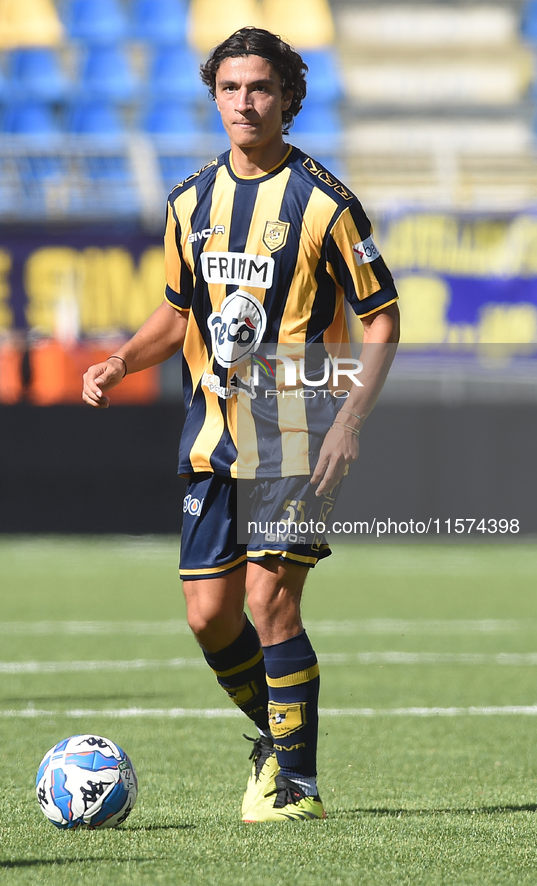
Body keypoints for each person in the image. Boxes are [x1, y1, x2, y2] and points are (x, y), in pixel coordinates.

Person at [82, 27, 400, 822]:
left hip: (297, 428)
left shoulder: (324, 202)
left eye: (260, 88)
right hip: (209, 434)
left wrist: (349, 419)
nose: (245, 102)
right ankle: (277, 742)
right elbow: (177, 309)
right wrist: (121, 362)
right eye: (230, 88)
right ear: (214, 96)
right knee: (206, 615)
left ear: (287, 98)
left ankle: (300, 786)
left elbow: (383, 318)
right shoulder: (189, 201)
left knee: (270, 604)